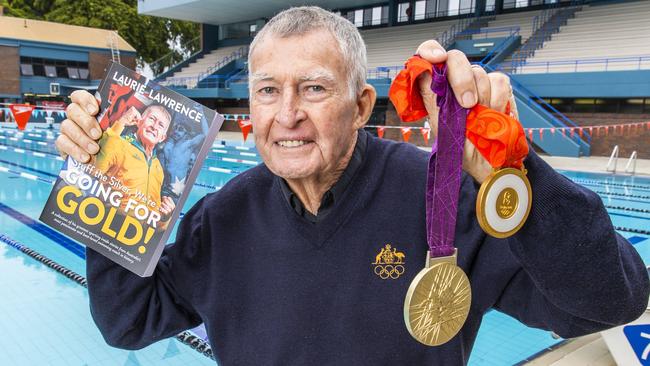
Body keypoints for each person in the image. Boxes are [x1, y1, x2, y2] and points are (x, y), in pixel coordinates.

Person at [56, 6, 648, 365]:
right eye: (267, 90)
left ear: (362, 104)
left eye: (313, 89)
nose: (286, 114)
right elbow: (127, 322)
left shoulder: (442, 200)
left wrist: (518, 174)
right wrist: (101, 178)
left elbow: (610, 300)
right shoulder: (222, 217)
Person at [93, 104, 176, 220]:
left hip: (137, 233)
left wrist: (164, 216)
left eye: (161, 125)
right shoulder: (119, 144)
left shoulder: (158, 167)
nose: (154, 126)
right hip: (109, 222)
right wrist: (121, 123)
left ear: (162, 137)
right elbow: (95, 170)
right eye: (152, 119)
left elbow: (154, 217)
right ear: (139, 122)